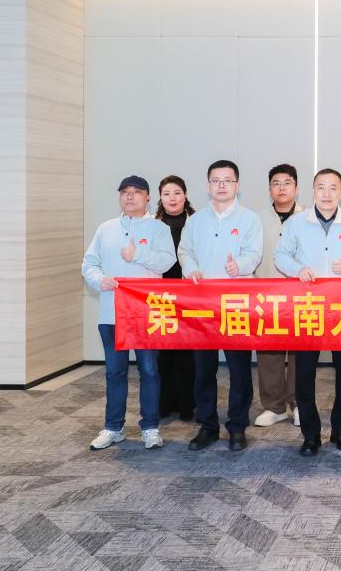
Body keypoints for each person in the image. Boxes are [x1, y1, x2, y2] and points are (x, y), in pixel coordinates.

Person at [275, 168, 341, 456]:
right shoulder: (296, 223)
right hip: (308, 307)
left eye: (333, 188)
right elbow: (280, 256)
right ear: (313, 191)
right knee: (304, 373)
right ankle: (310, 434)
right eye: (321, 188)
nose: (327, 194)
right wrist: (297, 269)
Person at [81, 175, 176, 450]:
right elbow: (89, 264)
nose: (130, 196)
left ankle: (150, 427)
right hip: (112, 312)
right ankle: (114, 427)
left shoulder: (159, 228)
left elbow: (167, 261)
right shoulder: (106, 228)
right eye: (125, 192)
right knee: (114, 372)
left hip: (146, 313)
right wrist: (100, 279)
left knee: (149, 370)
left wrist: (137, 256)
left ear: (148, 197)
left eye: (136, 192)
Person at [178, 159, 263, 452]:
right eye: (216, 180)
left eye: (227, 180)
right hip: (202, 304)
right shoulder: (196, 220)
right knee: (204, 369)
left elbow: (254, 253)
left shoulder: (249, 219)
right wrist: (191, 268)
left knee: (239, 370)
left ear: (237, 185)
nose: (221, 185)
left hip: (236, 304)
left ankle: (237, 426)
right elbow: (185, 251)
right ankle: (208, 426)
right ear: (208, 185)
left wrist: (239, 265)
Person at [253, 164, 304, 428]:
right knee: (268, 352)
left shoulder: (308, 218)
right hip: (267, 294)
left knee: (299, 353)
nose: (281, 188)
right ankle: (273, 406)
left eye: (287, 183)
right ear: (269, 188)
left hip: (300, 296)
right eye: (276, 183)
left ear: (296, 188)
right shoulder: (257, 219)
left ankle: (298, 404)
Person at [155, 175, 196, 421]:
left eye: (177, 192)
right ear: (160, 198)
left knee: (187, 352)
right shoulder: (152, 224)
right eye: (167, 193)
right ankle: (164, 402)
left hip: (190, 294)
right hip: (160, 295)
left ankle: (187, 404)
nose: (172, 198)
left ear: (185, 195)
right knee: (164, 351)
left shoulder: (197, 222)